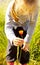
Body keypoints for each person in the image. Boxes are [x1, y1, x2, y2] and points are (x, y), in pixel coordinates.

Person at [5, 0, 38, 65]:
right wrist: (12, 38)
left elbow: (32, 25)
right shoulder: (12, 6)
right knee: (11, 50)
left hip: (26, 29)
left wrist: (27, 41)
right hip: (13, 29)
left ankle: (24, 62)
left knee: (25, 51)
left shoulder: (35, 7)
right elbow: (8, 26)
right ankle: (10, 62)